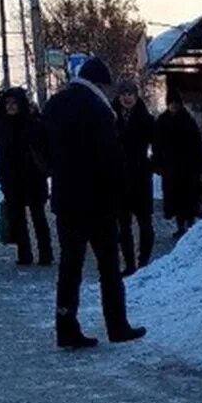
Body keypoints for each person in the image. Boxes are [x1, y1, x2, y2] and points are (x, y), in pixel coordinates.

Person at [43, 57, 146, 349]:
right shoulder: (100, 110)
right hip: (98, 202)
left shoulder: (55, 104)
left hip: (66, 200)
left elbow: (37, 143)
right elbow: (111, 158)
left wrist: (56, 170)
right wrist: (120, 191)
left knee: (70, 267)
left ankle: (66, 327)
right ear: (101, 83)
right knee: (109, 268)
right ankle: (117, 325)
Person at [0, 87, 53, 266]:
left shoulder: (31, 122)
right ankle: (25, 254)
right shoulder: (2, 124)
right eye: (7, 103)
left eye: (14, 103)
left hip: (32, 176)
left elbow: (42, 138)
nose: (10, 106)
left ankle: (45, 254)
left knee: (38, 216)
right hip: (10, 176)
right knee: (17, 217)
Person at [112, 80, 156, 278]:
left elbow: (159, 144)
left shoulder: (145, 118)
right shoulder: (110, 118)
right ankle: (129, 264)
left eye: (130, 94)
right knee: (123, 225)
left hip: (140, 177)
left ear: (136, 96)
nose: (127, 98)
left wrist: (151, 164)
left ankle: (144, 262)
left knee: (145, 222)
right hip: (119, 178)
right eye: (124, 94)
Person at [153, 88, 202, 239]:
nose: (174, 106)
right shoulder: (163, 121)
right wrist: (158, 163)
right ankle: (181, 225)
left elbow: (196, 144)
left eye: (176, 103)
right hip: (171, 168)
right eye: (171, 103)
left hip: (187, 168)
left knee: (187, 197)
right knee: (176, 199)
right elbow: (156, 144)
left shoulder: (187, 121)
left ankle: (188, 224)